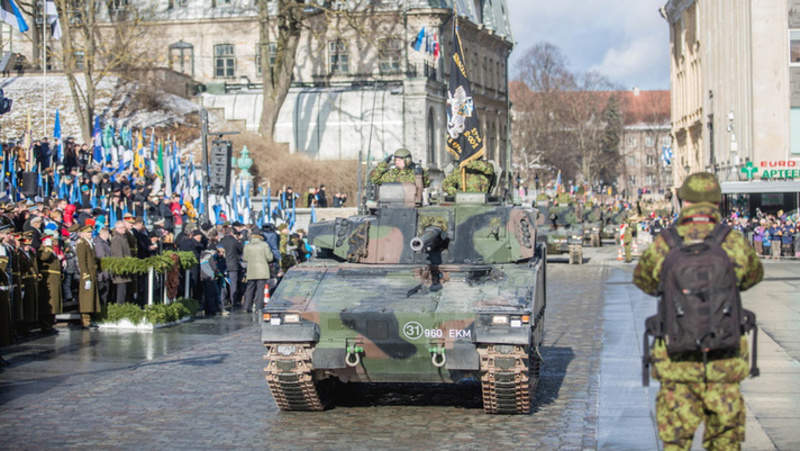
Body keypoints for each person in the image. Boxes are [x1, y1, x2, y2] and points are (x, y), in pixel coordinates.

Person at [633, 172, 763, 451]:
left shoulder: (666, 242)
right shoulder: (731, 241)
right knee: (725, 443)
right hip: (724, 360)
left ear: (685, 202)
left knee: (676, 443)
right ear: (716, 202)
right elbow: (753, 276)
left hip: (676, 361)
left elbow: (643, 280)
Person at [75, 224, 100, 328]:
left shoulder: (89, 243)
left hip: (92, 272)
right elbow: (82, 262)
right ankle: (85, 320)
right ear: (83, 233)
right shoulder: (82, 244)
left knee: (91, 296)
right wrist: (86, 276)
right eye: (88, 232)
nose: (90, 234)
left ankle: (90, 319)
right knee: (86, 297)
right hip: (87, 273)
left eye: (90, 232)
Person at [241, 233, 273, 313]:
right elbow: (270, 258)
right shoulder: (264, 245)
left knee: (249, 288)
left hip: (251, 269)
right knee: (260, 289)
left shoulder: (247, 246)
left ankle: (246, 306)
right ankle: (259, 307)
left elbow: (245, 258)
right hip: (262, 270)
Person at [36, 235, 61, 332]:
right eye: (51, 240)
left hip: (54, 279)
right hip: (48, 279)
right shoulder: (42, 250)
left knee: (54, 303)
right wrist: (48, 247)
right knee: (48, 302)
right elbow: (44, 257)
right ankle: (46, 325)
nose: (53, 242)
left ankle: (50, 323)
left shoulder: (51, 250)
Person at [220, 225, 243, 309]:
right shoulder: (234, 241)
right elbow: (241, 250)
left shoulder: (222, 241)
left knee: (223, 284)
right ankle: (233, 301)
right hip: (233, 265)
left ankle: (222, 301)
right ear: (232, 233)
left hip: (223, 264)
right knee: (233, 284)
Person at [110, 220, 132, 304]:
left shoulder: (123, 238)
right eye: (122, 228)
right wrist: (123, 267)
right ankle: (119, 309)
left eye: (124, 227)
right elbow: (118, 255)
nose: (124, 229)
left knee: (125, 293)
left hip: (125, 269)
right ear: (117, 229)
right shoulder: (116, 239)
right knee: (121, 293)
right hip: (120, 270)